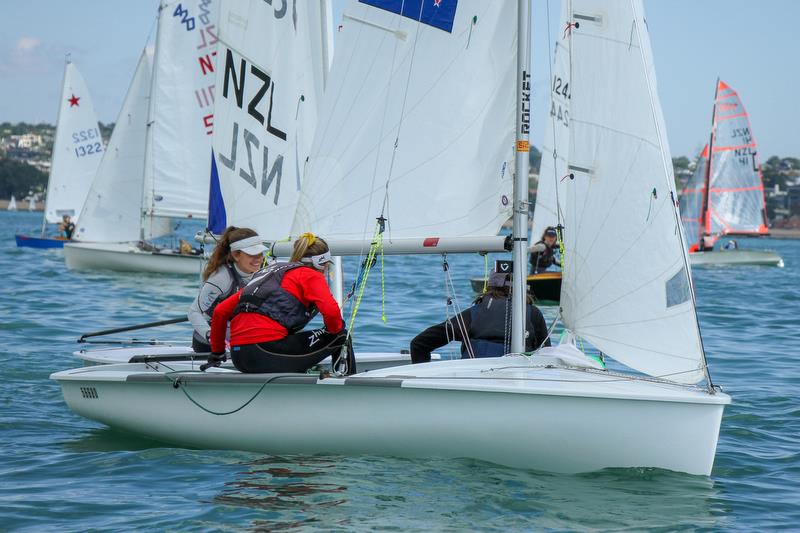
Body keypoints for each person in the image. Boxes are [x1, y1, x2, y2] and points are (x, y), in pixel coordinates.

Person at [208, 232, 356, 374]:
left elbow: (220, 311)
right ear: (321, 264)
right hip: (266, 354)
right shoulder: (310, 275)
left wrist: (217, 352)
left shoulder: (267, 273)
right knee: (341, 335)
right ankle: (349, 390)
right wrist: (333, 330)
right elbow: (331, 313)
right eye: (326, 266)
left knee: (290, 337)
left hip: (239, 358)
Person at [409, 272, 551, 364]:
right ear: (521, 287)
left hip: (474, 381)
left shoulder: (473, 314)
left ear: (489, 287)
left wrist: (421, 377)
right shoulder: (533, 314)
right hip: (519, 384)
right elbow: (547, 355)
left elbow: (419, 344)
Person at [187, 226, 265, 353]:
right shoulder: (221, 278)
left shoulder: (262, 273)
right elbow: (193, 312)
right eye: (252, 254)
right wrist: (210, 335)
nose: (258, 259)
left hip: (238, 336)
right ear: (236, 255)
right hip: (210, 341)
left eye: (260, 253)